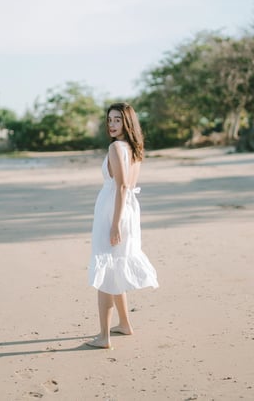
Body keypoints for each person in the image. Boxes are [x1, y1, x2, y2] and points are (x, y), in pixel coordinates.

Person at [87, 102, 159, 348]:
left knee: (106, 269)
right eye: (110, 120)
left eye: (117, 120)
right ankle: (125, 324)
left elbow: (121, 186)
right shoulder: (133, 147)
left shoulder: (117, 147)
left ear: (127, 122)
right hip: (126, 208)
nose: (112, 125)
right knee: (115, 263)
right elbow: (126, 187)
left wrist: (115, 224)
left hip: (114, 210)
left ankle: (104, 336)